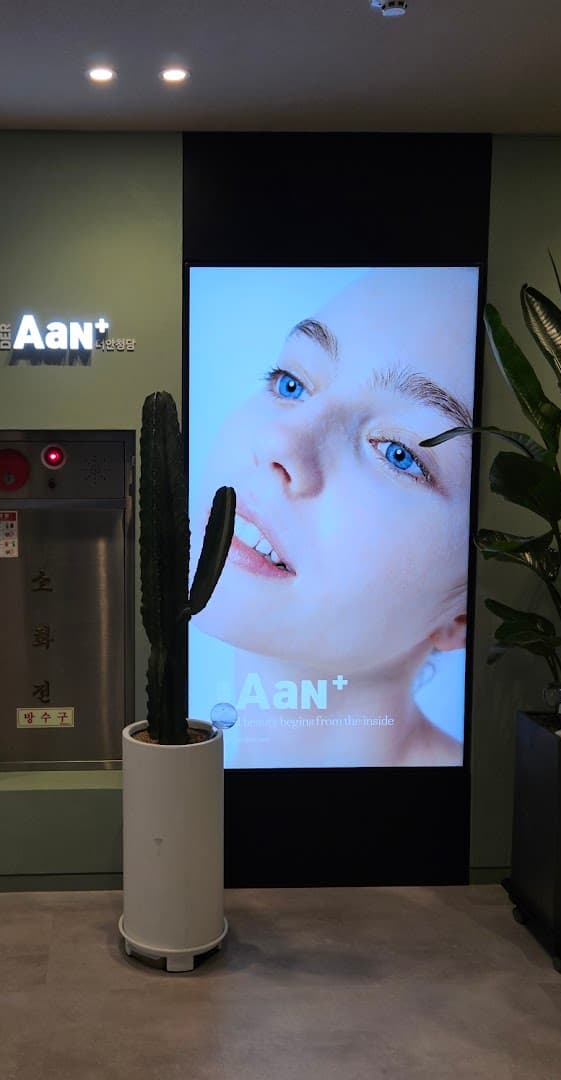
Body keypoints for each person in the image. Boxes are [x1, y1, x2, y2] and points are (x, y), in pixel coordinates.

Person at [189, 267, 478, 768]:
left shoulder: (484, 815)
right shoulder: (190, 775)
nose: (280, 439)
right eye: (292, 384)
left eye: (398, 454)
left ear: (462, 616)